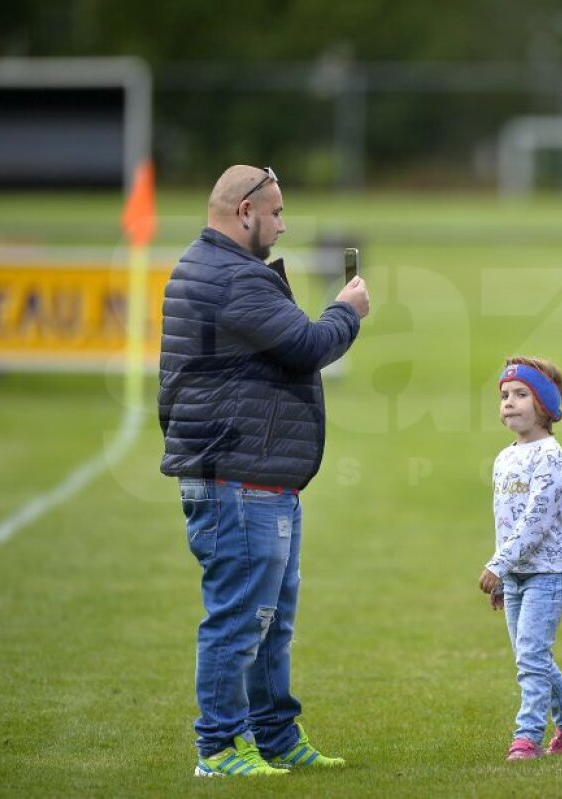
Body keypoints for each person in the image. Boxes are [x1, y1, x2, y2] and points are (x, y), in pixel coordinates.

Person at [159, 165, 369, 777]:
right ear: (244, 212)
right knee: (240, 622)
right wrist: (347, 310)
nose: (282, 226)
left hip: (257, 474)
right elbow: (307, 345)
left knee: (269, 623)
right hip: (239, 477)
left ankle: (275, 736)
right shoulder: (232, 278)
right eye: (275, 214)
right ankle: (221, 749)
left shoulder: (213, 267)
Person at [477, 356, 562, 762]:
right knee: (532, 658)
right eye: (504, 395)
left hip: (547, 574)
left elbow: (534, 523)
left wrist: (497, 565)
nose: (509, 402)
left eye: (521, 395)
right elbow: (505, 522)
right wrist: (504, 576)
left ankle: (526, 737)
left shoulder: (552, 459)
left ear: (545, 406)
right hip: (516, 576)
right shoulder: (504, 458)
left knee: (531, 658)